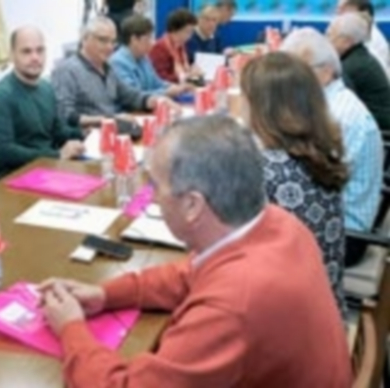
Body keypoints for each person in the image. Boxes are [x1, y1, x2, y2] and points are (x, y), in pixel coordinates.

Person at [38, 115, 351, 387]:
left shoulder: (232, 306)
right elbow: (188, 273)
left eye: (155, 186)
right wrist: (105, 294)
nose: (152, 197)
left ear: (192, 205)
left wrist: (71, 329)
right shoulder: (279, 223)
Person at [241, 52, 349, 317]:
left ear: (261, 107)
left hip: (289, 325)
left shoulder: (264, 170)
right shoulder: (320, 152)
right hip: (326, 311)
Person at [281, 28, 383, 264]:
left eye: (298, 72)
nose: (289, 80)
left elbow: (313, 187)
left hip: (343, 235)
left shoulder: (339, 116)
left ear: (326, 72)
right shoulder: (328, 103)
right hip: (334, 217)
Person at [0, 27, 85, 178]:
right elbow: (3, 151)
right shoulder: (0, 97)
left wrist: (85, 135)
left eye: (40, 50)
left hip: (48, 169)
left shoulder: (46, 88)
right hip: (15, 178)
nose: (35, 57)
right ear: (12, 55)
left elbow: (57, 131)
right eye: (26, 51)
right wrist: (56, 155)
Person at [51, 17, 170, 135]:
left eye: (113, 42)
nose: (109, 47)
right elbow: (65, 115)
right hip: (90, 137)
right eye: (103, 40)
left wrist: (151, 100)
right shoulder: (66, 71)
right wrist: (108, 119)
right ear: (85, 38)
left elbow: (129, 95)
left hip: (115, 131)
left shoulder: (108, 67)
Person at [327, 12, 390, 130]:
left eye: (331, 36)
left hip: (379, 132)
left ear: (347, 42)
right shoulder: (358, 57)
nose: (327, 41)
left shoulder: (353, 66)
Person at [110, 15, 193, 97]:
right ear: (134, 39)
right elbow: (134, 95)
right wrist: (166, 92)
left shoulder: (144, 58)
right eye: (147, 38)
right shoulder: (118, 63)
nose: (152, 43)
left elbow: (157, 83)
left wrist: (176, 87)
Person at [338, 0, 390, 80]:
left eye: (344, 11)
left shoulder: (371, 38)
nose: (339, 15)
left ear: (363, 13)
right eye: (339, 10)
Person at [149, 9, 204, 84]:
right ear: (175, 30)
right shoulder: (159, 48)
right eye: (187, 32)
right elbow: (160, 77)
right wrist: (186, 76)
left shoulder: (181, 47)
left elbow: (184, 71)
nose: (190, 36)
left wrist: (192, 71)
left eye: (191, 32)